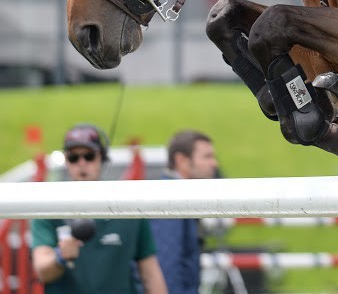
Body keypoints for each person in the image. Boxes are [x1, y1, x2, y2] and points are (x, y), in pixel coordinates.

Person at [31, 123, 167, 294]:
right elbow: (42, 271)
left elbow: (150, 272)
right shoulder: (47, 207)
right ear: (66, 161)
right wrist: (60, 257)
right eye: (73, 157)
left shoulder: (130, 206)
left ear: (102, 158)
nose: (81, 163)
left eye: (89, 156)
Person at [150, 130, 219, 294]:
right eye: (207, 157)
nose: (214, 163)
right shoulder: (169, 200)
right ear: (181, 160)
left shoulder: (174, 195)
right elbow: (167, 268)